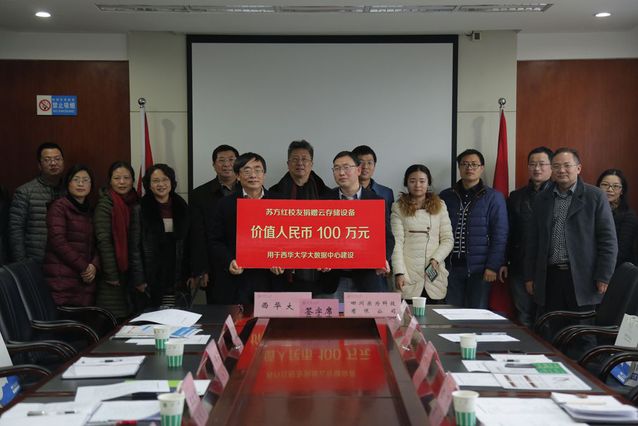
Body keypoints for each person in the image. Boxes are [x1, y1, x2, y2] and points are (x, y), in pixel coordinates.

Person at [524, 148, 617, 329]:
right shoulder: (542, 199)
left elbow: (608, 241)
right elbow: (533, 241)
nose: (561, 170)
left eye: (567, 165)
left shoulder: (595, 196)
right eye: (556, 166)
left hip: (583, 278)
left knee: (583, 333)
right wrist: (529, 276)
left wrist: (604, 276)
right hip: (550, 277)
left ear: (578, 168)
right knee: (552, 332)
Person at [209, 153, 283, 304]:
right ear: (237, 176)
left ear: (264, 174)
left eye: (258, 170)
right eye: (247, 170)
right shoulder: (225, 204)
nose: (253, 175)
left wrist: (281, 260)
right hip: (237, 279)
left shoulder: (280, 203)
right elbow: (215, 240)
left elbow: (291, 238)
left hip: (270, 279)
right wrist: (229, 261)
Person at [319, 151, 394, 299]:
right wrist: (321, 259)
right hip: (333, 279)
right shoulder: (324, 201)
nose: (341, 173)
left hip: (366, 279)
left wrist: (382, 258)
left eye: (346, 167)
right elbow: (316, 236)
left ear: (358, 170)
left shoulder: (376, 201)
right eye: (336, 168)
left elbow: (387, 238)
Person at [440, 149, 508, 309]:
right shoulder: (446, 196)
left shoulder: (493, 197)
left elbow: (500, 234)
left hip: (481, 269)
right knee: (451, 313)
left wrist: (492, 266)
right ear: (459, 167)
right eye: (464, 164)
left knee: (477, 314)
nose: (469, 168)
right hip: (450, 268)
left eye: (474, 164)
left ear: (482, 168)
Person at [501, 146, 553, 327]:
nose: (537, 168)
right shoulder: (516, 196)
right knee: (523, 316)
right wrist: (504, 260)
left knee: (547, 317)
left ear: (551, 167)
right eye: (532, 164)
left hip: (549, 267)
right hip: (520, 265)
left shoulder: (559, 195)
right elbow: (508, 231)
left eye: (542, 164)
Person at [269, 140, 331, 292]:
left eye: (304, 159)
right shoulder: (273, 193)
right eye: (295, 159)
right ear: (288, 163)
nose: (300, 163)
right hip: (282, 271)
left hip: (318, 271)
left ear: (312, 163)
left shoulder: (326, 194)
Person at [391, 164, 453, 303]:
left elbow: (448, 239)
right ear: (406, 183)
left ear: (428, 182)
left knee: (434, 314)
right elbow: (396, 243)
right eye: (412, 181)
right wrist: (399, 272)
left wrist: (436, 259)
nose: (417, 185)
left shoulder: (440, 205)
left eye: (422, 181)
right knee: (408, 315)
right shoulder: (398, 207)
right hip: (408, 274)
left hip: (434, 272)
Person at [94, 161, 146, 319]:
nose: (122, 182)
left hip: (131, 272)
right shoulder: (105, 204)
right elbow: (104, 242)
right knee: (115, 318)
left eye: (126, 178)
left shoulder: (136, 202)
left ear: (133, 180)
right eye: (117, 178)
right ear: (110, 181)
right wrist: (112, 274)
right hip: (113, 274)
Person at [190, 144, 240, 303]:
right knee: (219, 310)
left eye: (231, 160)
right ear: (214, 165)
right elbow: (197, 235)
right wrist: (201, 269)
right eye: (221, 160)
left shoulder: (251, 190)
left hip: (245, 264)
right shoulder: (200, 194)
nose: (227, 164)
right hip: (215, 266)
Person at [43, 164, 99, 306]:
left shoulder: (91, 210)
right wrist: (84, 267)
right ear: (68, 183)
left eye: (85, 180)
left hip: (84, 280)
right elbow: (58, 241)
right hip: (62, 278)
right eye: (76, 179)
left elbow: (98, 243)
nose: (81, 184)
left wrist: (94, 266)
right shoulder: (59, 207)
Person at [140, 164, 193, 308]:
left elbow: (189, 243)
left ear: (172, 182)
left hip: (178, 274)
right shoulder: (141, 208)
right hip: (150, 275)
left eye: (165, 180)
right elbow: (134, 247)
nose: (161, 184)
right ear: (148, 185)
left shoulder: (182, 206)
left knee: (178, 315)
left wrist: (191, 272)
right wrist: (139, 278)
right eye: (156, 181)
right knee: (153, 316)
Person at [9, 142, 65, 263]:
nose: (53, 163)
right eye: (47, 160)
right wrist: (22, 263)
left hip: (63, 262)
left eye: (57, 159)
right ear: (39, 165)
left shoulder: (69, 190)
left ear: (63, 162)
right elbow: (15, 231)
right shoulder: (24, 192)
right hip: (35, 260)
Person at [596, 168, 638, 267]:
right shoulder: (590, 210)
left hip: (614, 267)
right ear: (598, 187)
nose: (610, 189)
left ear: (622, 191)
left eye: (615, 186)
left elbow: (622, 252)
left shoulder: (629, 216)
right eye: (605, 185)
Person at [352, 145, 395, 218]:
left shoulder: (386, 193)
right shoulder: (341, 192)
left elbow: (389, 221)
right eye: (360, 162)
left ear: (374, 166)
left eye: (369, 163)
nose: (365, 167)